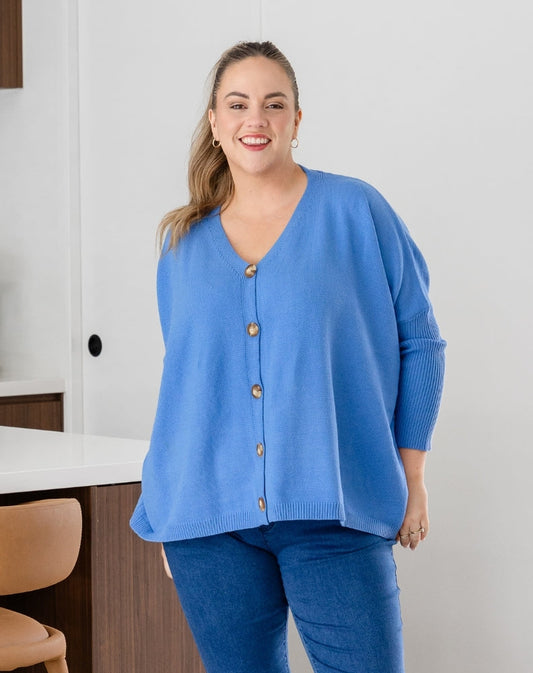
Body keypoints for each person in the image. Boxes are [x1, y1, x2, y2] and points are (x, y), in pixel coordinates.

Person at [130, 41, 446, 673]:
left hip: (334, 509)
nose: (257, 119)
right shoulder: (182, 243)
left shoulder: (356, 210)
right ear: (214, 122)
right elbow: (187, 384)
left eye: (274, 104)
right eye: (238, 104)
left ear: (296, 120)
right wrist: (174, 509)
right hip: (207, 524)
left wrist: (412, 476)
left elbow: (420, 342)